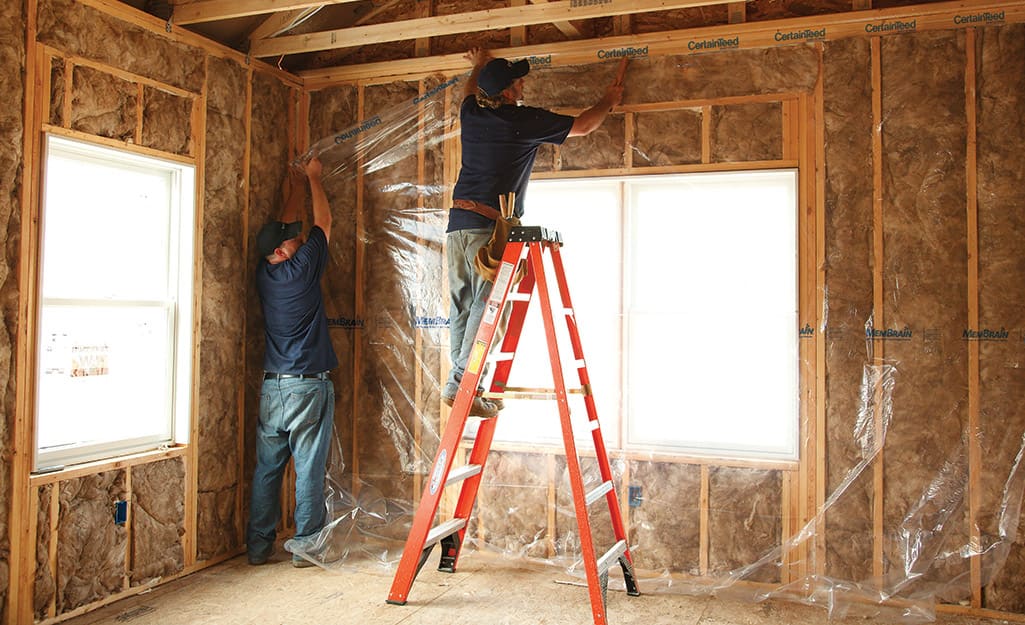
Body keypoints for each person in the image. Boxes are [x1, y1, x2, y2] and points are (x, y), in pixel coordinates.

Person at [443, 48, 625, 417]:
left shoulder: (472, 113)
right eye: (518, 80)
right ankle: (464, 380)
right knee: (489, 304)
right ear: (509, 92)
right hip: (486, 231)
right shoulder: (520, 121)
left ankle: (457, 382)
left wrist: (480, 64)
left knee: (463, 305)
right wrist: (609, 99)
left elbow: (467, 89)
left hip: (457, 229)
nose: (523, 82)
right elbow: (585, 125)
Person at [247, 157, 338, 569]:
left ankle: (258, 548)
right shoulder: (302, 269)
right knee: (309, 467)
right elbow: (324, 222)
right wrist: (315, 178)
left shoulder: (265, 275)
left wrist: (292, 183)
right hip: (307, 388)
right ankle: (305, 548)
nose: (298, 237)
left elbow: (288, 227)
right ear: (284, 251)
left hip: (273, 388)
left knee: (268, 471)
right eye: (292, 239)